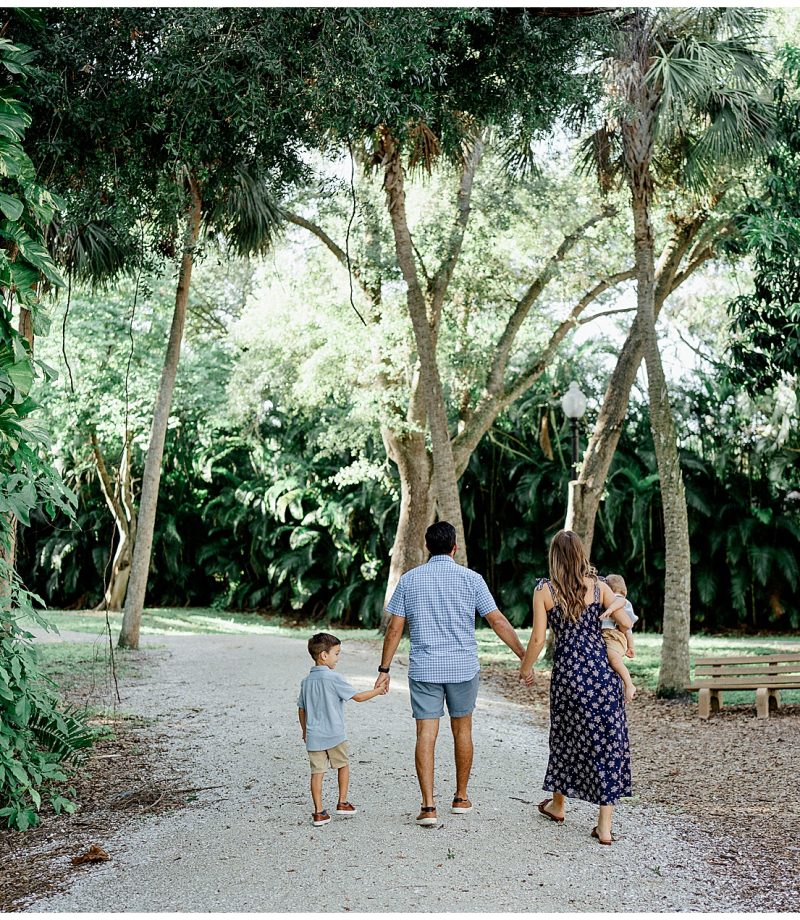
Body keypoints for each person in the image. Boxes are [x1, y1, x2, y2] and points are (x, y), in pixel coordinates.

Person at [376, 521, 526, 826]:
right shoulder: (472, 579)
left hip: (425, 669)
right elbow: (497, 621)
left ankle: (428, 807)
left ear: (427, 547)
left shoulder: (409, 580)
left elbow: (394, 629)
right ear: (454, 547)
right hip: (462, 668)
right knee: (463, 731)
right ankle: (460, 797)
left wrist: (384, 668)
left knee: (426, 735)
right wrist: (524, 655)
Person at [519, 530, 632, 845]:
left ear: (554, 557)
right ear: (581, 555)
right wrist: (614, 605)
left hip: (569, 676)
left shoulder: (544, 590)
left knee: (566, 737)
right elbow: (626, 621)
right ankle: (605, 828)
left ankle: (558, 805)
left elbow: (539, 639)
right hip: (603, 674)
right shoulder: (599, 587)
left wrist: (525, 668)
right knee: (609, 744)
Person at [298, 632, 387, 827]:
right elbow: (358, 697)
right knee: (343, 765)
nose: (338, 658)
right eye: (337, 654)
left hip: (314, 737)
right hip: (335, 735)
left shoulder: (306, 682)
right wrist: (378, 691)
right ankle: (342, 802)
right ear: (324, 655)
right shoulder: (334, 678)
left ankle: (319, 812)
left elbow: (301, 710)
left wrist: (305, 731)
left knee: (317, 773)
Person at [602, 573, 638, 702]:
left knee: (614, 660)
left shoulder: (620, 600)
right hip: (607, 635)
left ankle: (629, 684)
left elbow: (628, 627)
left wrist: (610, 609)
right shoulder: (605, 599)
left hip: (614, 635)